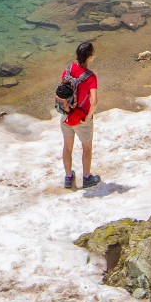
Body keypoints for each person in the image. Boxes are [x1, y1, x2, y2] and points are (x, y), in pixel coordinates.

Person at [58, 40, 100, 190]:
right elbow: (94, 102)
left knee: (67, 148)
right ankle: (87, 178)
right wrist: (88, 118)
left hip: (66, 115)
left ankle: (69, 178)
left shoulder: (68, 69)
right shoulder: (90, 77)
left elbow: (63, 90)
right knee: (86, 148)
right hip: (81, 118)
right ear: (89, 57)